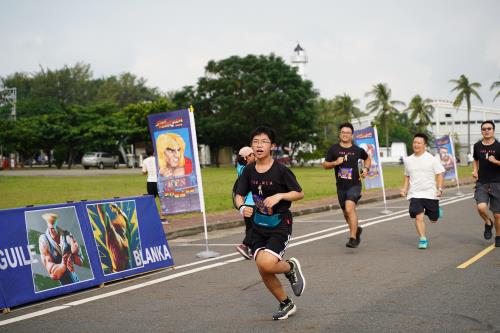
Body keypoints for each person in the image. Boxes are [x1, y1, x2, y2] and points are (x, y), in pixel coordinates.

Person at [234, 126, 306, 320]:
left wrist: (280, 195)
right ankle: (286, 303)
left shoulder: (281, 170)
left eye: (264, 142)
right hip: (258, 226)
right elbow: (238, 195)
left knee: (267, 264)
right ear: (251, 146)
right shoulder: (248, 171)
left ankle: (290, 267)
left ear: (272, 146)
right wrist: (241, 207)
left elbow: (299, 193)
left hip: (279, 223)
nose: (259, 145)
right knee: (263, 267)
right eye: (255, 142)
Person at [323, 122, 371, 248]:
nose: (345, 135)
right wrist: (335, 162)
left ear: (352, 135)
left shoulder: (357, 150)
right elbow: (325, 165)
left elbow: (367, 158)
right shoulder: (334, 149)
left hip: (355, 184)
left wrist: (366, 169)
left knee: (350, 208)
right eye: (343, 132)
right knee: (345, 213)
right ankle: (356, 230)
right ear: (340, 134)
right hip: (341, 186)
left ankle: (353, 237)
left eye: (348, 133)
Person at [400, 133, 445, 249]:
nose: (416, 145)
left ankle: (436, 212)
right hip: (415, 193)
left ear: (424, 145)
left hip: (430, 193)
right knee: (418, 217)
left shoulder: (432, 159)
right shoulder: (408, 160)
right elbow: (407, 175)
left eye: (419, 143)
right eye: (414, 142)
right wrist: (405, 188)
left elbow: (439, 174)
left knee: (433, 219)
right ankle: (423, 239)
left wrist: (439, 188)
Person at [472, 120, 500, 247]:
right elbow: (476, 159)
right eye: (484, 129)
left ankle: (498, 236)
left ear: (493, 131)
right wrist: (474, 170)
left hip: (497, 182)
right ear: (482, 131)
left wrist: (496, 162)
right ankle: (488, 222)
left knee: (498, 214)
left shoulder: (499, 146)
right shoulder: (477, 146)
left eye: (489, 128)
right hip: (482, 182)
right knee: (481, 207)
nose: (487, 130)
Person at [38, 213, 84, 285]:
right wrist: (63, 264)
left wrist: (72, 256)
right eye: (51, 228)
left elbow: (80, 262)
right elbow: (53, 275)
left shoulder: (66, 235)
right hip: (63, 287)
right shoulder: (44, 241)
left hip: (76, 282)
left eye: (53, 228)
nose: (52, 230)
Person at [235, 146, 256, 259]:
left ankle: (251, 249)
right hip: (251, 201)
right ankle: (244, 245)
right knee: (256, 226)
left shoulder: (240, 167)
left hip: (245, 202)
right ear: (247, 157)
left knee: (249, 227)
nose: (255, 156)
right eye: (253, 154)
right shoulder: (247, 169)